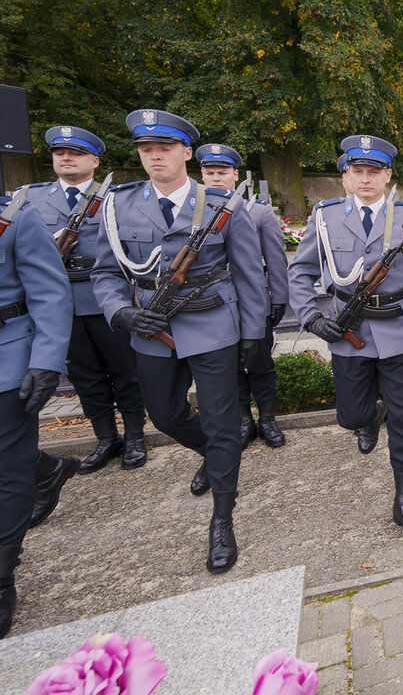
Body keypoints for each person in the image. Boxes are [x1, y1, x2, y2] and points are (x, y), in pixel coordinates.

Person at [93, 109, 268, 573]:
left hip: (212, 322)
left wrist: (254, 333)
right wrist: (122, 312)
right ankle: (217, 454)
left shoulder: (221, 205)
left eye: (165, 147)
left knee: (220, 419)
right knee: (166, 415)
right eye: (146, 148)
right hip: (152, 325)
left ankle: (222, 519)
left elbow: (250, 275)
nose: (154, 155)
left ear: (186, 152)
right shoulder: (118, 205)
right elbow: (106, 273)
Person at [289, 135, 403, 543]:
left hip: (398, 330)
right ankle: (371, 417)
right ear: (345, 177)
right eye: (358, 171)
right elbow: (300, 273)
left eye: (374, 171)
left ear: (387, 175)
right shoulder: (324, 218)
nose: (366, 178)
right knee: (351, 416)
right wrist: (311, 317)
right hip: (348, 329)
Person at [23, 126, 149, 473]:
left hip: (106, 297)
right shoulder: (30, 198)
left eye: (76, 153)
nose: (66, 158)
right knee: (84, 375)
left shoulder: (115, 196)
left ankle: (136, 436)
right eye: (59, 153)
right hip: (60, 300)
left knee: (126, 370)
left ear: (94, 160)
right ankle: (106, 438)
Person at [0, 186, 73, 638]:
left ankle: (2, 575)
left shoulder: (15, 218)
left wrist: (46, 360)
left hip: (6, 360)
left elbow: (49, 291)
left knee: (8, 470)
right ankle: (45, 468)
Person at [195, 144, 288, 448]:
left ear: (236, 175)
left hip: (252, 304)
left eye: (222, 172)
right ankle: (243, 420)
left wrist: (279, 298)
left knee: (261, 364)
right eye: (210, 173)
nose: (216, 178)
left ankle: (268, 420)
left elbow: (275, 259)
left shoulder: (257, 212)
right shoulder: (194, 213)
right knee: (229, 367)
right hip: (214, 305)